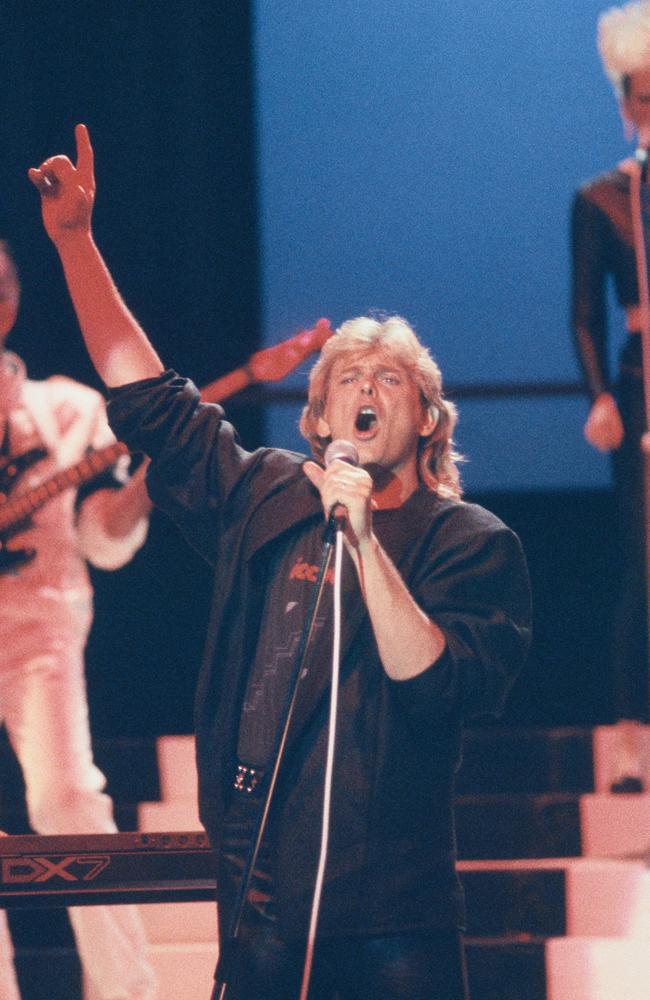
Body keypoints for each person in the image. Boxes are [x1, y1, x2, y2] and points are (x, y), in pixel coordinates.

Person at [29, 124, 532, 1000]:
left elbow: (435, 684)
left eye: (388, 378)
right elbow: (148, 399)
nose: (365, 388)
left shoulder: (472, 544)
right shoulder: (267, 493)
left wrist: (364, 536)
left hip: (396, 925)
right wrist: (76, 244)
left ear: (428, 419)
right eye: (345, 377)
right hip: (261, 907)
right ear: (319, 420)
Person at [0, 239, 157, 1000]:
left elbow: (101, 535)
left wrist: (153, 476)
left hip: (41, 625)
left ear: (12, 301)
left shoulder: (69, 408)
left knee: (65, 797)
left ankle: (128, 992)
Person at [571, 0, 650, 791]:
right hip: (641, 391)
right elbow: (584, 314)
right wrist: (600, 397)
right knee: (647, 561)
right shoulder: (602, 200)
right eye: (646, 95)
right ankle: (631, 737)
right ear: (627, 103)